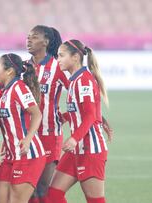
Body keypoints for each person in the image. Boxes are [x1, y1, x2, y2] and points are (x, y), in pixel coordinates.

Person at [44, 39, 110, 203]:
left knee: (95, 200)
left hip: (90, 149)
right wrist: (64, 117)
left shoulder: (84, 81)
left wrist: (74, 138)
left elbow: (89, 115)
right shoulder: (75, 80)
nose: (58, 60)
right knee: (53, 194)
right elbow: (81, 111)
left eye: (61, 56)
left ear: (75, 57)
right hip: (77, 150)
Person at [0, 53, 46, 203]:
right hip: (10, 156)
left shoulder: (19, 88)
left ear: (9, 71)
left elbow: (37, 114)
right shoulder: (2, 91)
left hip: (28, 155)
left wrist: (28, 139)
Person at [26, 25, 68, 203]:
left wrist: (64, 117)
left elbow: (76, 93)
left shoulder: (57, 67)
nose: (29, 40)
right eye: (28, 36)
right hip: (27, 136)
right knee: (28, 190)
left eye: (34, 37)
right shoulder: (23, 67)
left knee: (43, 190)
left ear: (46, 42)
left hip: (49, 136)